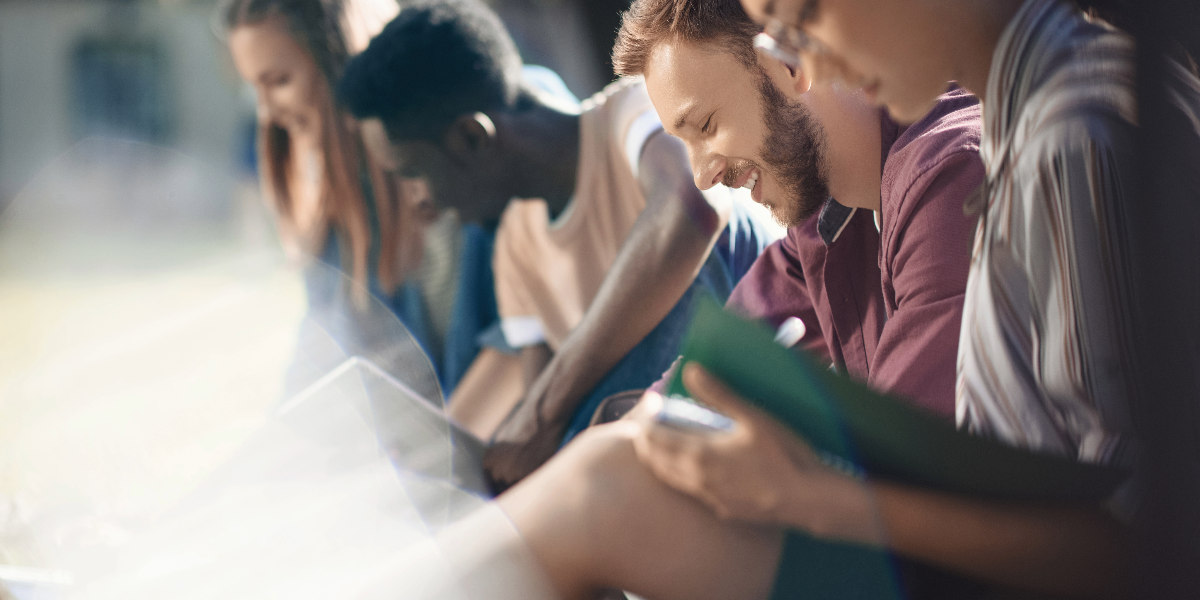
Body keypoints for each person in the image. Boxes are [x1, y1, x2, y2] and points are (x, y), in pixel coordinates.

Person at [335, 0, 778, 489]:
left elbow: (693, 208)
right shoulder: (514, 250)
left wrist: (546, 411)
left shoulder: (633, 111)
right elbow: (542, 426)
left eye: (413, 175)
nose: (419, 205)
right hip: (657, 466)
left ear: (470, 138)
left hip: (759, 385)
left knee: (691, 246)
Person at [611, 0, 982, 418]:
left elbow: (913, 458)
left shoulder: (947, 178)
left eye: (707, 126)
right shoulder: (820, 222)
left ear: (789, 64)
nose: (702, 177)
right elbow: (708, 365)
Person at [224, 0, 515, 403]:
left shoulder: (463, 153)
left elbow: (523, 338)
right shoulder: (340, 224)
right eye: (254, 88)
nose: (267, 111)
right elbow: (319, 363)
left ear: (338, 61)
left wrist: (448, 448)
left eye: (278, 81)